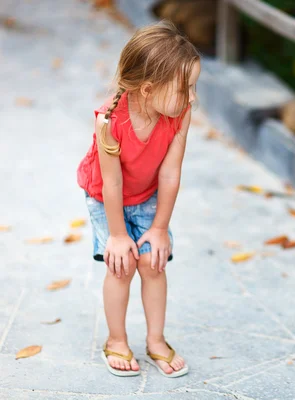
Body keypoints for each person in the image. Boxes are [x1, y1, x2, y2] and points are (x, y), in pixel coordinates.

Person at [77, 21, 201, 378]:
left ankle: (156, 341)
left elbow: (170, 173)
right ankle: (116, 340)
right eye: (186, 89)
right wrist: (118, 236)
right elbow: (111, 183)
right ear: (148, 89)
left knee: (153, 263)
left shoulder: (180, 114)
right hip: (105, 196)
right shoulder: (109, 121)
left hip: (147, 193)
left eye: (194, 88)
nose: (192, 98)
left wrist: (160, 228)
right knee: (123, 264)